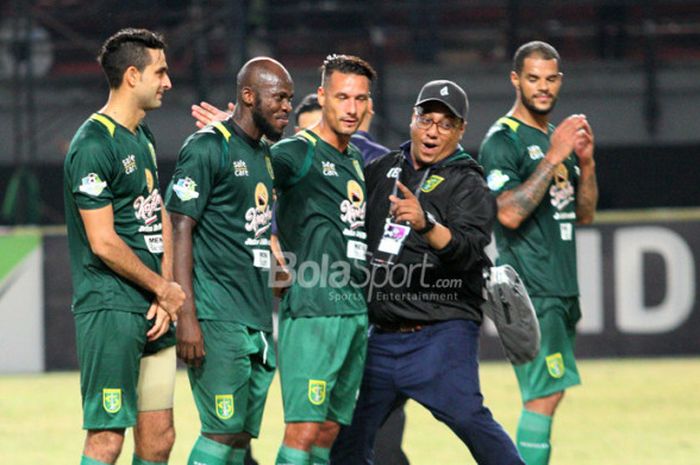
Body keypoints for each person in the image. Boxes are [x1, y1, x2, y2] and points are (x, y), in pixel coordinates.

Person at [331, 79, 525, 465]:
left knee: (470, 420)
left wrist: (425, 224)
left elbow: (468, 252)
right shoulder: (383, 168)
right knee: (347, 440)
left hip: (440, 333)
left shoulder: (468, 181)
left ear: (460, 131)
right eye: (426, 118)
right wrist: (249, 143)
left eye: (446, 123)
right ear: (412, 119)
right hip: (382, 338)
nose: (433, 131)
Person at [63, 28, 186, 465]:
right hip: (112, 309)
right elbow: (103, 242)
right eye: (161, 72)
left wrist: (165, 288)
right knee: (107, 439)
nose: (168, 82)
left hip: (154, 307)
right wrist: (161, 287)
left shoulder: (143, 136)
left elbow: (160, 214)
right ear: (132, 75)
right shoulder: (93, 144)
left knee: (159, 439)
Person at [165, 57, 294, 465]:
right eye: (279, 97)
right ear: (248, 95)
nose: (287, 106)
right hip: (217, 316)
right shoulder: (207, 146)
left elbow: (253, 228)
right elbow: (179, 226)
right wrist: (186, 315)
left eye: (290, 98)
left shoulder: (264, 155)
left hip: (256, 317)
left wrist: (275, 263)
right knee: (220, 433)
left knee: (238, 436)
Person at [478, 41, 597, 465]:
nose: (542, 88)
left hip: (560, 287)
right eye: (533, 79)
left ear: (559, 81)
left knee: (550, 393)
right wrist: (555, 156)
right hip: (530, 288)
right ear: (516, 80)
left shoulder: (554, 138)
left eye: (550, 79)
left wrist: (587, 162)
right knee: (542, 396)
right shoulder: (502, 140)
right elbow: (507, 214)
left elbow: (583, 214)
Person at [269, 54, 376, 465]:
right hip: (313, 310)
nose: (351, 108)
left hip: (351, 311)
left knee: (328, 431)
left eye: (360, 99)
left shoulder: (353, 160)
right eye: (342, 97)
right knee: (303, 429)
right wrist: (273, 250)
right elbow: (249, 190)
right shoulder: (297, 151)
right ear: (322, 96)